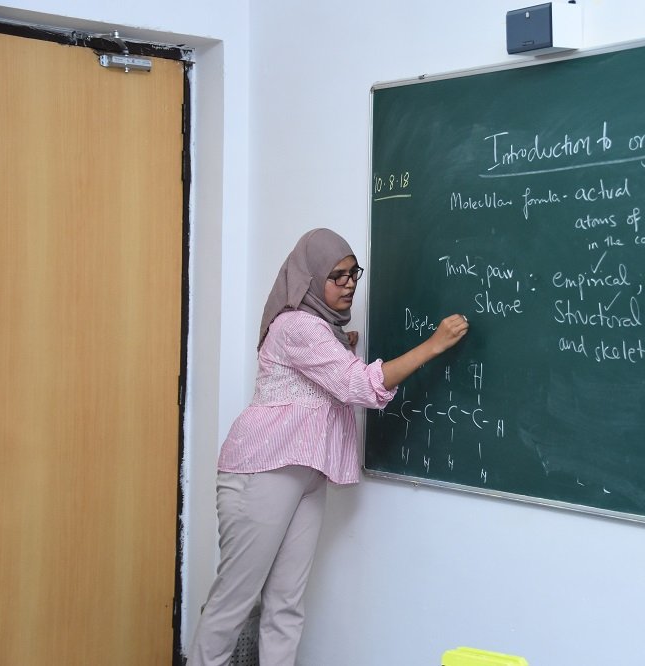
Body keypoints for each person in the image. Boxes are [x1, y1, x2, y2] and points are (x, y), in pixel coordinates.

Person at [187, 228, 469, 665]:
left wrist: (343, 344)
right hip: (264, 470)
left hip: (305, 474)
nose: (349, 284)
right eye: (336, 276)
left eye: (353, 273)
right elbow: (359, 385)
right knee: (234, 603)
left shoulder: (322, 331)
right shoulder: (297, 325)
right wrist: (432, 346)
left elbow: (326, 372)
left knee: (286, 605)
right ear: (310, 279)